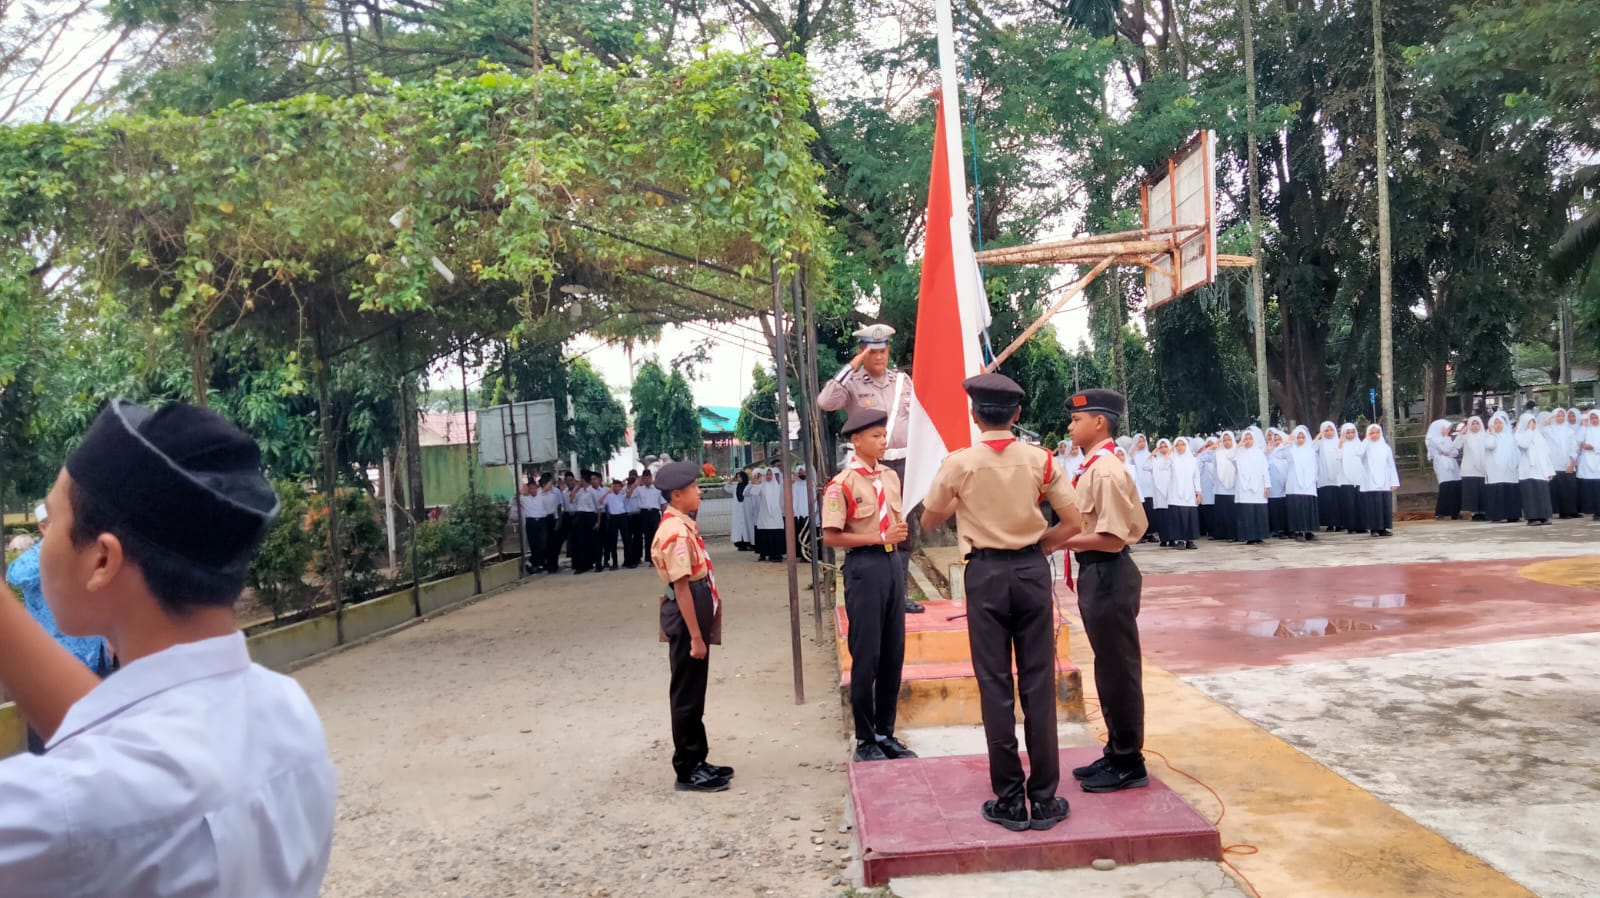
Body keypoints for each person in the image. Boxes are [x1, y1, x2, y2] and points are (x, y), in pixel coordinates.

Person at [0, 398, 336, 895]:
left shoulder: (63, 809)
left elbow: (98, 793)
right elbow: (114, 739)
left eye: (50, 522)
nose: (40, 541)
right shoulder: (287, 712)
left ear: (102, 560)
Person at [921, 373, 1082, 831]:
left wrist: (967, 499)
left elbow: (931, 520)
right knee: (1038, 683)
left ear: (974, 415)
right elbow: (1072, 521)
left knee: (994, 685)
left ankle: (1009, 799)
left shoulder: (958, 463)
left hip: (985, 575)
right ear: (1016, 414)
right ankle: (1045, 799)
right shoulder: (1042, 460)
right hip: (1031, 572)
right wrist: (1040, 547)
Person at [1063, 388, 1151, 793]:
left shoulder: (1105, 470)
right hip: (1098, 574)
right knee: (1109, 665)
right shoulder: (1093, 466)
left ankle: (1129, 760)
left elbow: (1112, 538)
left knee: (1119, 669)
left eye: (1077, 419)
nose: (1070, 425)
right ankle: (1117, 751)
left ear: (1099, 422)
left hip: (1109, 573)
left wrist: (1057, 541)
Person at [821, 407, 916, 763]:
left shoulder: (890, 477)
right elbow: (831, 536)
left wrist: (892, 539)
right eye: (875, 436)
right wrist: (878, 537)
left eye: (883, 435)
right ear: (856, 440)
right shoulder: (841, 484)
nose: (883, 441)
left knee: (894, 652)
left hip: (892, 564)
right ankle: (864, 739)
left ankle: (884, 732)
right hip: (865, 568)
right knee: (868, 655)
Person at [816, 322, 923, 613]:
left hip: (901, 463)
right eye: (872, 352)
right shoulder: (852, 383)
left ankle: (898, 595)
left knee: (902, 531)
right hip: (869, 466)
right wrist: (852, 365)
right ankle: (877, 591)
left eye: (883, 351)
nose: (879, 357)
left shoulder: (903, 381)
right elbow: (825, 402)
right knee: (871, 527)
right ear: (863, 352)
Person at [649, 461, 734, 793]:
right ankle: (687, 768)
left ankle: (698, 758)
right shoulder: (675, 532)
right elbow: (681, 586)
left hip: (694, 606)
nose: (699, 492)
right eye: (694, 488)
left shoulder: (683, 525)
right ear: (677, 494)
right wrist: (696, 637)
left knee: (695, 689)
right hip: (687, 612)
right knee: (686, 692)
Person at [7, 503, 114, 754]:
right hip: (53, 660)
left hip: (94, 657)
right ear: (43, 527)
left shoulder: (85, 552)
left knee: (95, 734)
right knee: (52, 740)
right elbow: (16, 575)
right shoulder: (34, 560)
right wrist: (54, 544)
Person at [1358, 424, 1400, 537]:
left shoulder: (1386, 447)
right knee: (1373, 505)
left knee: (1384, 504)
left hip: (1385, 480)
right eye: (1372, 433)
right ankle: (1374, 529)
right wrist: (1366, 439)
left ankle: (1383, 528)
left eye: (1377, 432)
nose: (1375, 435)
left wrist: (1394, 482)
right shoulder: (1366, 446)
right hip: (1370, 481)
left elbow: (1391, 465)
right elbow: (1359, 453)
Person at [1514, 412, 1555, 526]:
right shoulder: (1520, 434)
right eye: (1529, 423)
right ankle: (1532, 518)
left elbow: (1545, 453)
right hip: (1528, 470)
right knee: (1531, 494)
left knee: (1542, 493)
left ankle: (1543, 516)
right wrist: (1529, 430)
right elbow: (1524, 445)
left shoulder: (1539, 436)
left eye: (1533, 422)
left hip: (1540, 469)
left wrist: (1550, 470)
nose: (1532, 425)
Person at [1233, 427, 1271, 545]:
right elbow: (1230, 457)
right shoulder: (1239, 453)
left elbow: (1265, 470)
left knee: (1259, 512)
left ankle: (1259, 536)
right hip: (1244, 489)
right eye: (1246, 438)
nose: (1248, 441)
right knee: (1247, 512)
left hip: (1258, 488)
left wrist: (1267, 486)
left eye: (1250, 438)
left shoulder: (1259, 453)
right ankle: (1249, 537)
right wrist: (1238, 446)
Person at [1164, 437, 1201, 550]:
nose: (1180, 447)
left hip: (1189, 493)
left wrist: (1198, 492)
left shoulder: (1192, 460)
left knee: (1190, 517)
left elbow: (1196, 477)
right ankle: (1179, 540)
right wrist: (1169, 453)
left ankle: (1190, 540)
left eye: (1182, 445)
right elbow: (1162, 466)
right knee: (1178, 516)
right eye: (1178, 445)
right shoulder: (1172, 459)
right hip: (1175, 493)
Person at [1284, 426, 1321, 540]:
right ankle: (1298, 531)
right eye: (1298, 437)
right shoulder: (1290, 450)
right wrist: (1287, 442)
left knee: (1308, 507)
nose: (1300, 439)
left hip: (1309, 485)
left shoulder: (1311, 449)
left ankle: (1309, 531)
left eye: (1302, 437)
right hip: (1295, 485)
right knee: (1297, 507)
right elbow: (1277, 454)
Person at [1484, 412, 1521, 523]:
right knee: (1497, 492)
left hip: (1510, 470)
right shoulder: (1489, 436)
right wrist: (1492, 434)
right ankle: (1496, 516)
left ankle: (1512, 515)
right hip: (1496, 471)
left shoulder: (1510, 437)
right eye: (1495, 423)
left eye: (1500, 423)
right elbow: (1490, 446)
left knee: (1511, 492)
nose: (1498, 425)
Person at [1425, 419, 1462, 521]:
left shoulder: (1448, 438)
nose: (1447, 430)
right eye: (1445, 428)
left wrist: (1447, 449)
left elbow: (1454, 452)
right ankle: (1441, 512)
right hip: (1442, 465)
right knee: (1446, 488)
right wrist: (1446, 442)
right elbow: (1445, 449)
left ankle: (1455, 512)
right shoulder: (1432, 440)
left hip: (1453, 465)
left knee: (1456, 487)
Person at [1457, 416, 1489, 520]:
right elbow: (1456, 445)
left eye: (1477, 423)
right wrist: (1463, 432)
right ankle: (1474, 513)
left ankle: (1484, 512)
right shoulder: (1466, 437)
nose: (1475, 426)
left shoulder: (1486, 436)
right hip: (1470, 469)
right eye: (1473, 424)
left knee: (1483, 491)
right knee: (1472, 491)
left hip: (1483, 468)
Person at [568, 471, 600, 573]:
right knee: (581, 542)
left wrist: (598, 522)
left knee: (593, 542)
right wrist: (577, 488)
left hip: (590, 516)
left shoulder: (593, 492)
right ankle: (582, 565)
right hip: (580, 516)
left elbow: (598, 508)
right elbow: (571, 498)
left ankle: (598, 564)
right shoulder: (580, 492)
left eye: (581, 479)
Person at [1314, 422, 1344, 532]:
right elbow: (1311, 448)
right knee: (1328, 501)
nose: (1329, 432)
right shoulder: (1320, 443)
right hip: (1325, 478)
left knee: (1338, 501)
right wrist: (1319, 435)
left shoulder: (1339, 442)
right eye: (1326, 430)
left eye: (1331, 430)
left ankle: (1340, 523)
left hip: (1338, 477)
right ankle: (1330, 524)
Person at [1337, 424, 1365, 532]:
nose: (1350, 435)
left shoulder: (1360, 444)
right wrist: (1340, 443)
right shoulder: (1341, 445)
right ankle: (1351, 527)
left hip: (1359, 478)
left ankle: (1361, 526)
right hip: (1346, 479)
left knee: (1360, 503)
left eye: (1352, 432)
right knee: (1349, 504)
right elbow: (1338, 457)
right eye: (1347, 432)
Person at [633, 471, 664, 566]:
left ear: (651, 478)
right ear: (642, 479)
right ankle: (649, 558)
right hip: (644, 513)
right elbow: (628, 495)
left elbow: (662, 504)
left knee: (656, 536)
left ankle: (657, 557)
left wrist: (664, 517)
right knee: (647, 536)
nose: (647, 480)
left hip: (654, 513)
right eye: (645, 478)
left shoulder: (657, 490)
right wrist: (635, 483)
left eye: (648, 478)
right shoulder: (639, 490)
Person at [1212, 431, 1238, 541]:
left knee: (1231, 513)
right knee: (1221, 512)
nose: (1227, 442)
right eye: (1224, 440)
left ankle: (1233, 535)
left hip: (1234, 488)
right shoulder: (1218, 454)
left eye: (1229, 440)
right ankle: (1221, 534)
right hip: (1220, 487)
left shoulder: (1238, 452)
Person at [601, 479, 631, 570]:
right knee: (612, 541)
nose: (616, 488)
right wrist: (608, 492)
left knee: (626, 539)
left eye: (618, 486)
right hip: (613, 518)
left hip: (622, 517)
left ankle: (628, 561)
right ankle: (614, 563)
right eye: (615, 486)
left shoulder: (622, 495)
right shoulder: (609, 496)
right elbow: (601, 501)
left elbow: (629, 494)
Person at [1577, 409, 1600, 520]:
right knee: (1592, 489)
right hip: (1588, 462)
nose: (1594, 420)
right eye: (1592, 418)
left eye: (1596, 418)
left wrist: (1594, 448)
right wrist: (1583, 426)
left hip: (1598, 460)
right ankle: (1596, 512)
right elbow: (1578, 440)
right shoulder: (1587, 430)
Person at [726, 470, 754, 551]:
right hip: (738, 511)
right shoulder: (735, 487)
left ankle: (749, 543)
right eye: (737, 477)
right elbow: (726, 488)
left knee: (748, 526)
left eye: (739, 477)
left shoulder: (749, 486)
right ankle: (741, 544)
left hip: (747, 510)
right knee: (739, 527)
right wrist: (731, 480)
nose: (738, 479)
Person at [791, 465, 814, 557]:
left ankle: (809, 554)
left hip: (809, 513)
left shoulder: (811, 483)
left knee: (808, 535)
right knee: (799, 534)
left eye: (804, 472)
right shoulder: (795, 484)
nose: (802, 474)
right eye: (800, 472)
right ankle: (800, 554)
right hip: (798, 515)